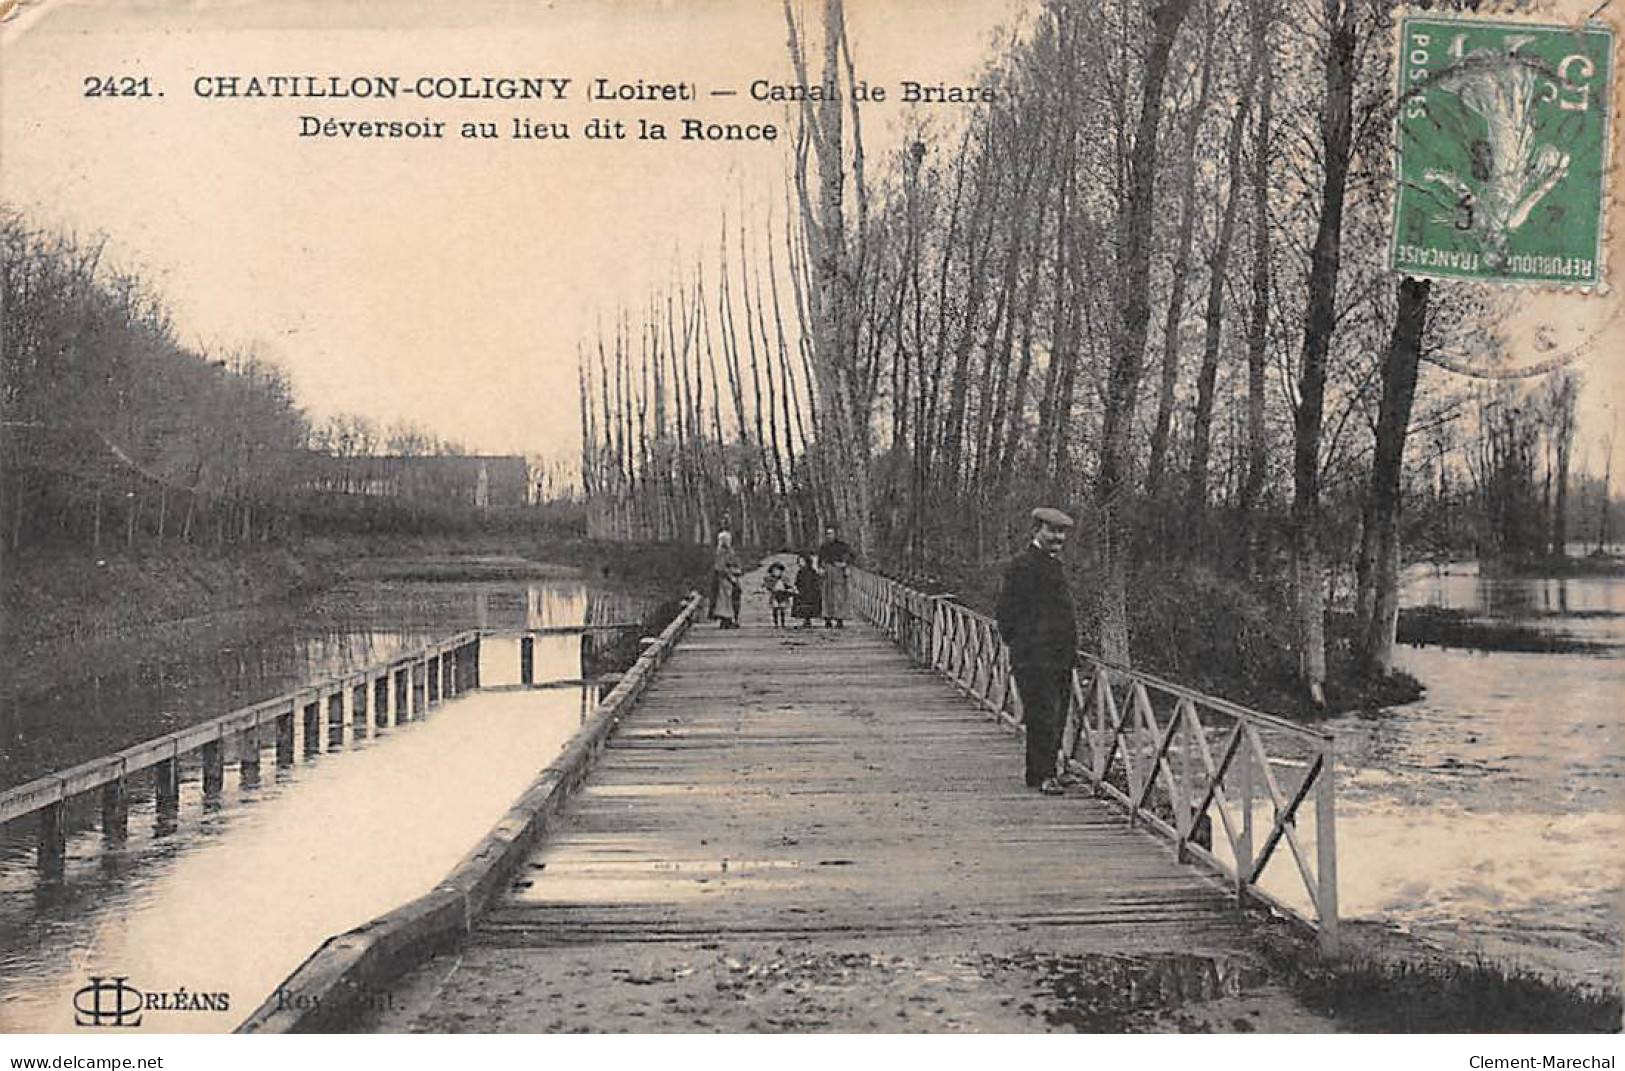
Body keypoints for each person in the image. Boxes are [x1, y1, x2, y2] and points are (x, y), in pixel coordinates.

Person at [994, 506, 1078, 796]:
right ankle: (1043, 775)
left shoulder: (1055, 565)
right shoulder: (1022, 565)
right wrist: (1021, 645)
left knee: (1058, 714)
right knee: (1041, 715)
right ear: (1037, 530)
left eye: (1061, 532)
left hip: (1059, 657)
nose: (1057, 537)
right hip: (1034, 656)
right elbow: (1005, 611)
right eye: (1052, 531)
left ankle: (1045, 770)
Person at [815, 525, 853, 628]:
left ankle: (839, 618)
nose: (829, 536)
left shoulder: (842, 546)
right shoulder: (823, 547)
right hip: (827, 572)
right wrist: (820, 569)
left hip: (838, 572)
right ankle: (827, 618)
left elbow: (849, 556)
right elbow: (820, 560)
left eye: (831, 533)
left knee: (839, 596)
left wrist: (844, 564)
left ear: (835, 534)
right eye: (828, 534)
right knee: (827, 595)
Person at [713, 532, 742, 629]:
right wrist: (731, 576)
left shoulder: (730, 551)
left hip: (731, 577)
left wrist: (737, 570)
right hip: (724, 579)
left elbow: (735, 563)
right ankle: (726, 620)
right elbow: (720, 567)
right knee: (725, 600)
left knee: (732, 598)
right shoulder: (721, 552)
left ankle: (729, 619)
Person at [792, 552, 822, 628]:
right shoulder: (800, 572)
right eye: (799, 562)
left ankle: (808, 620)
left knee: (809, 606)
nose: (800, 563)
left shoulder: (812, 572)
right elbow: (797, 581)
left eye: (802, 561)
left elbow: (816, 581)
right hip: (802, 591)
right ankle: (806, 620)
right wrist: (796, 587)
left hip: (810, 592)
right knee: (802, 606)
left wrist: (815, 590)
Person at [761, 561, 794, 629]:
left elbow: (788, 585)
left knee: (782, 609)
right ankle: (776, 623)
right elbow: (767, 586)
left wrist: (789, 589)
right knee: (775, 609)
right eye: (775, 571)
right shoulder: (769, 579)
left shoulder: (784, 579)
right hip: (775, 595)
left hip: (782, 595)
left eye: (779, 571)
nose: (777, 572)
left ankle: (782, 623)